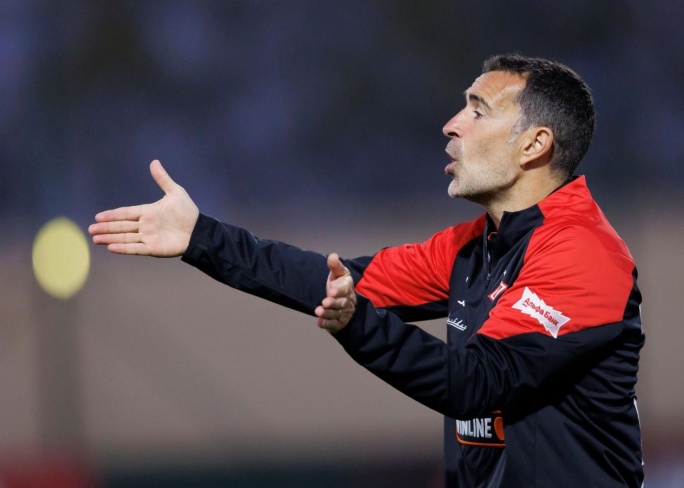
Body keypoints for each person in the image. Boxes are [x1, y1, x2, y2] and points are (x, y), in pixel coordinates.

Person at [89, 54, 644, 487]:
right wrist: (202, 237)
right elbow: (335, 280)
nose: (451, 125)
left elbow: (477, 382)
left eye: (478, 111)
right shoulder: (475, 245)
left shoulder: (584, 252)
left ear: (534, 144)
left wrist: (357, 324)